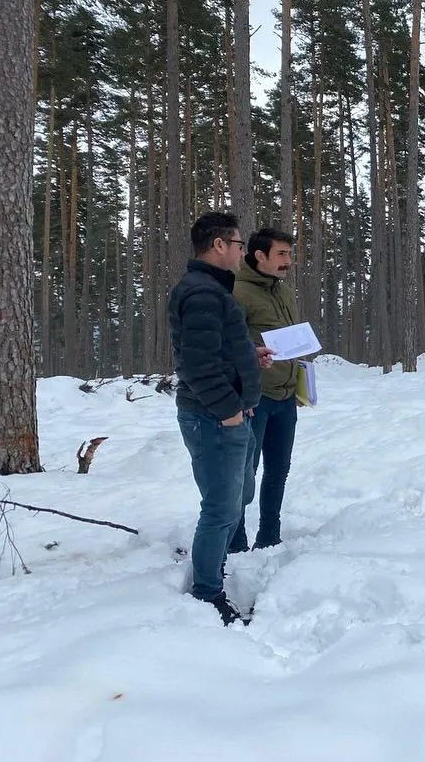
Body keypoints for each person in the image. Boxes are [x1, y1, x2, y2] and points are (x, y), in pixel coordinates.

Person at [169, 212, 272, 625]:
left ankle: (212, 562)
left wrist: (249, 355)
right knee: (221, 506)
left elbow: (217, 348)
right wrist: (229, 411)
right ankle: (207, 591)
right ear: (218, 245)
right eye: (238, 244)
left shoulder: (212, 291)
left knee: (239, 495)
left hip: (229, 413)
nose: (241, 252)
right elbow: (197, 366)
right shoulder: (203, 293)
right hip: (213, 418)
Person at [229, 228, 300, 553]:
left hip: (286, 396)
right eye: (281, 254)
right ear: (260, 255)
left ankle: (270, 536)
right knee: (246, 474)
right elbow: (228, 344)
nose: (288, 260)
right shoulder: (237, 291)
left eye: (289, 254)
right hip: (255, 398)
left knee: (278, 471)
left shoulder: (283, 291)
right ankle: (236, 539)